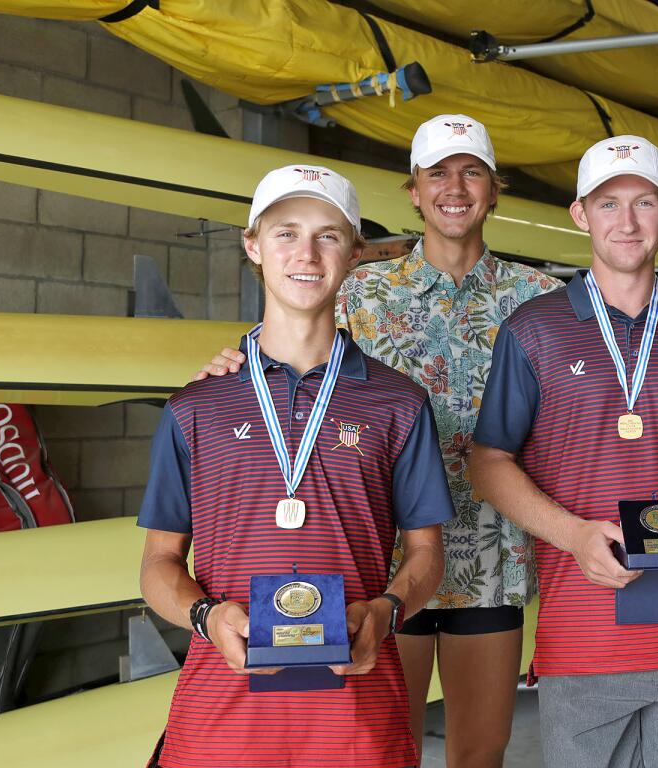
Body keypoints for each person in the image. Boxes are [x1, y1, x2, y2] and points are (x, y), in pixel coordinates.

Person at [196, 115, 658, 767]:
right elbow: (288, 358)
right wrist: (228, 364)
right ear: (413, 190)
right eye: (437, 172)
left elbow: (629, 331)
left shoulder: (539, 296)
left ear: (494, 190)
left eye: (471, 171)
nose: (455, 187)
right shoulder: (359, 290)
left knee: (482, 748)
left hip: (493, 557)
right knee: (389, 746)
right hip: (386, 562)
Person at [139, 164, 454, 768]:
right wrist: (208, 616)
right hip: (223, 719)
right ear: (253, 245)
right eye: (286, 232)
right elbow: (157, 564)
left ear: (355, 253)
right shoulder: (195, 407)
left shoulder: (399, 402)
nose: (306, 253)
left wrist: (383, 614)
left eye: (328, 235)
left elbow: (426, 556)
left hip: (358, 718)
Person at [469, 135, 658, 768]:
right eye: (607, 204)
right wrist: (575, 535)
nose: (626, 222)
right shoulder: (533, 329)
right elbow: (487, 460)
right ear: (580, 215)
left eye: (643, 203)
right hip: (585, 637)